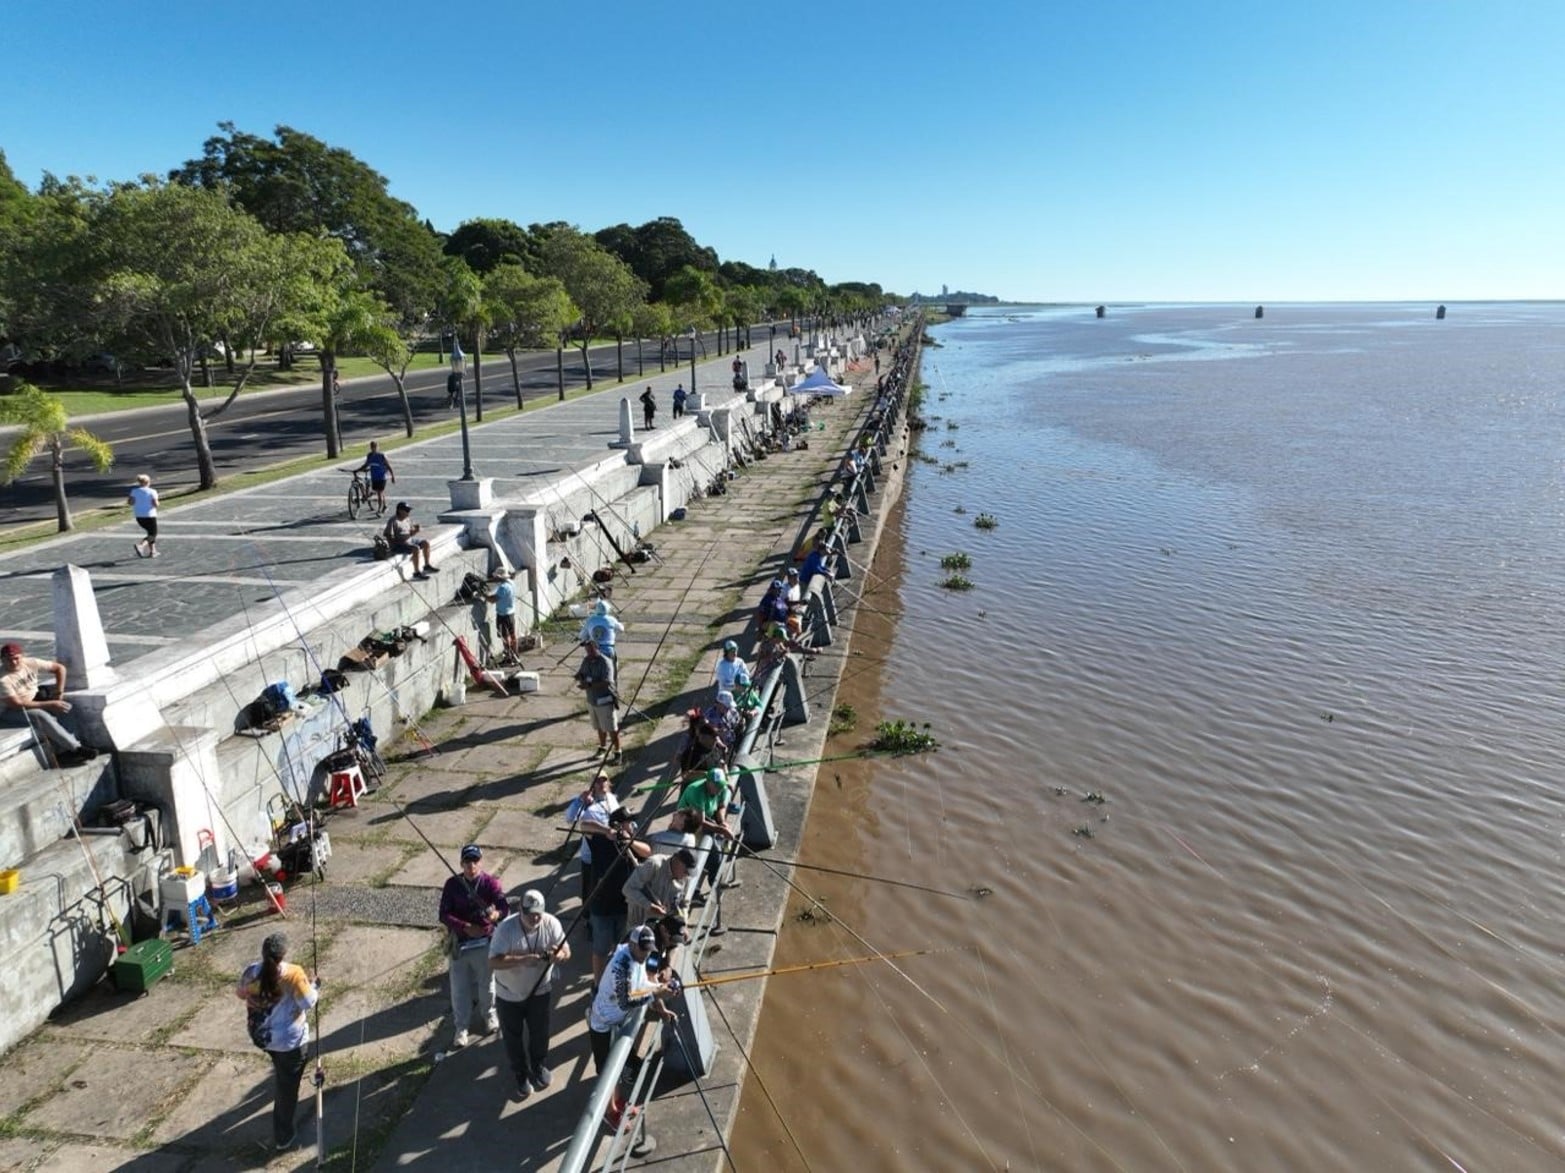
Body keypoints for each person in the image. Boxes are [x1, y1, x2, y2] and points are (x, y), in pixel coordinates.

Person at [587, 924, 678, 1132]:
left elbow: (642, 985)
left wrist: (662, 989)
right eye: (643, 949)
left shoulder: (639, 957)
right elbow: (626, 1001)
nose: (646, 954)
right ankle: (609, 1113)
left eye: (649, 950)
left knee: (617, 1068)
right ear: (632, 944)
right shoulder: (620, 965)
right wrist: (657, 993)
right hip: (603, 1023)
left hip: (619, 1021)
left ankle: (618, 1102)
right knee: (606, 1072)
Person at [236, 933, 318, 1152]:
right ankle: (283, 1136)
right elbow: (308, 1002)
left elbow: (241, 994)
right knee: (286, 1089)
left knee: (281, 1070)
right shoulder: (294, 974)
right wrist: (314, 986)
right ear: (284, 954)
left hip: (261, 1036)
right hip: (290, 1043)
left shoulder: (251, 972)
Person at [489, 889, 571, 1101]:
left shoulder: (551, 923)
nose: (535, 918)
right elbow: (493, 961)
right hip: (509, 995)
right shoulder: (505, 930)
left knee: (540, 1032)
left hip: (540, 991)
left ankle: (538, 1064)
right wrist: (521, 960)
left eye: (538, 913)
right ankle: (520, 1072)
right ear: (520, 910)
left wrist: (558, 956)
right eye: (529, 913)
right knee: (512, 1036)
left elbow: (566, 950)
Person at [438, 844, 509, 1048]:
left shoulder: (490, 883)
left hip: (484, 942)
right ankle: (461, 1027)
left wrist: (496, 915)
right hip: (460, 944)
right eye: (467, 862)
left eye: (475, 861)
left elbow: (504, 906)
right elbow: (444, 914)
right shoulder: (452, 884)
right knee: (459, 988)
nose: (472, 866)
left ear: (481, 862)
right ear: (461, 864)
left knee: (487, 984)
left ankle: (489, 1016)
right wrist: (465, 927)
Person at [1, 643, 96, 765]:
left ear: (22, 656)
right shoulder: (2, 679)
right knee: (41, 716)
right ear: (2, 660)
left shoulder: (30, 663)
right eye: (8, 660)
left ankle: (66, 748)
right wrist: (50, 704)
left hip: (32, 698)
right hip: (9, 711)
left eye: (16, 658)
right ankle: (76, 749)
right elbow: (16, 704)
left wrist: (59, 693)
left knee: (66, 707)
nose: (13, 662)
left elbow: (60, 668)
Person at [586, 808, 649, 982]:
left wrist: (629, 841)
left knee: (622, 946)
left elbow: (647, 851)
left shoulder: (631, 841)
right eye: (629, 822)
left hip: (624, 905)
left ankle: (617, 978)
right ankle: (598, 984)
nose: (633, 825)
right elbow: (585, 826)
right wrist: (607, 831)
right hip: (603, 906)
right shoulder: (600, 839)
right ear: (619, 824)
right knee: (601, 949)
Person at [677, 767, 736, 902]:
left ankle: (712, 883)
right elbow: (700, 822)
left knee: (714, 855)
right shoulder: (696, 791)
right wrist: (722, 830)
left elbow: (721, 806)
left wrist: (722, 822)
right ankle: (698, 891)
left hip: (706, 820)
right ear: (708, 783)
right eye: (716, 787)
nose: (719, 790)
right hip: (689, 826)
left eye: (721, 787)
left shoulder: (721, 788)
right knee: (704, 857)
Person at [566, 769, 620, 908]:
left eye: (604, 780)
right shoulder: (587, 802)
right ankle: (587, 916)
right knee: (590, 888)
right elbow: (570, 818)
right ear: (593, 784)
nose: (601, 783)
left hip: (610, 850)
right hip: (591, 854)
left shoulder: (612, 798)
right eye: (597, 780)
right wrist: (579, 801)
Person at [622, 848, 695, 929]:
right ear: (677, 861)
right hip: (639, 923)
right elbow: (628, 889)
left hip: (663, 928)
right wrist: (650, 906)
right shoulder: (654, 864)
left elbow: (684, 904)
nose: (686, 875)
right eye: (685, 871)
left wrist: (683, 924)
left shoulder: (686, 878)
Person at [574, 640, 621, 762]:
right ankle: (602, 747)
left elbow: (607, 682)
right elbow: (582, 672)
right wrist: (579, 676)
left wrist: (588, 686)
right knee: (599, 726)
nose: (588, 652)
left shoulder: (605, 662)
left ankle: (617, 752)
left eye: (590, 650)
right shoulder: (586, 660)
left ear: (597, 648)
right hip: (592, 700)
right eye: (586, 650)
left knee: (611, 728)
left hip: (605, 700)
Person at [384, 502, 437, 579]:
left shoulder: (407, 519)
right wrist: (397, 544)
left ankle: (427, 565)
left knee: (426, 543)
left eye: (408, 510)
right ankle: (416, 572)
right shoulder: (393, 521)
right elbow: (388, 536)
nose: (408, 512)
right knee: (415, 548)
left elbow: (410, 534)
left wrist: (416, 530)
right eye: (406, 510)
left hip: (409, 540)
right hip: (398, 545)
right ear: (399, 511)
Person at [484, 570, 520, 660]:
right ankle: (516, 654)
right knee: (513, 635)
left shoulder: (503, 587)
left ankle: (508, 657)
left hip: (503, 615)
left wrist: (484, 595)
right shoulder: (511, 583)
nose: (495, 578)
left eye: (496, 577)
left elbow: (492, 600)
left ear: (499, 577)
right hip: (511, 613)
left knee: (505, 636)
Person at [355, 441, 395, 515]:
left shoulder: (382, 456)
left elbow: (388, 466)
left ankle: (379, 510)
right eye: (372, 447)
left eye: (375, 447)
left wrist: (393, 476)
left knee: (379, 493)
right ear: (370, 447)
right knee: (379, 492)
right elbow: (366, 464)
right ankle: (385, 506)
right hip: (374, 477)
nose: (374, 448)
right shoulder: (369, 455)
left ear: (378, 447)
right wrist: (358, 470)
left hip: (382, 477)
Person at [129, 474, 160, 559]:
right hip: (150, 515)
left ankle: (153, 551)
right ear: (148, 482)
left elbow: (130, 502)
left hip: (139, 516)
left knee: (150, 533)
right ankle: (141, 545)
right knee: (153, 534)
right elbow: (155, 504)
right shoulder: (152, 491)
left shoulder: (134, 491)